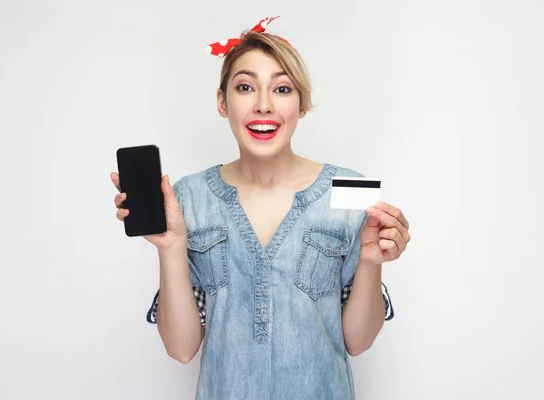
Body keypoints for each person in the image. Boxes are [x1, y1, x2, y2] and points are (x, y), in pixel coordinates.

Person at [110, 16, 410, 400]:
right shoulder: (188, 197)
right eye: (246, 87)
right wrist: (170, 247)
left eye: (282, 88)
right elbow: (181, 349)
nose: (264, 105)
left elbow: (358, 341)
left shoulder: (350, 190)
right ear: (223, 101)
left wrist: (370, 260)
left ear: (301, 104)